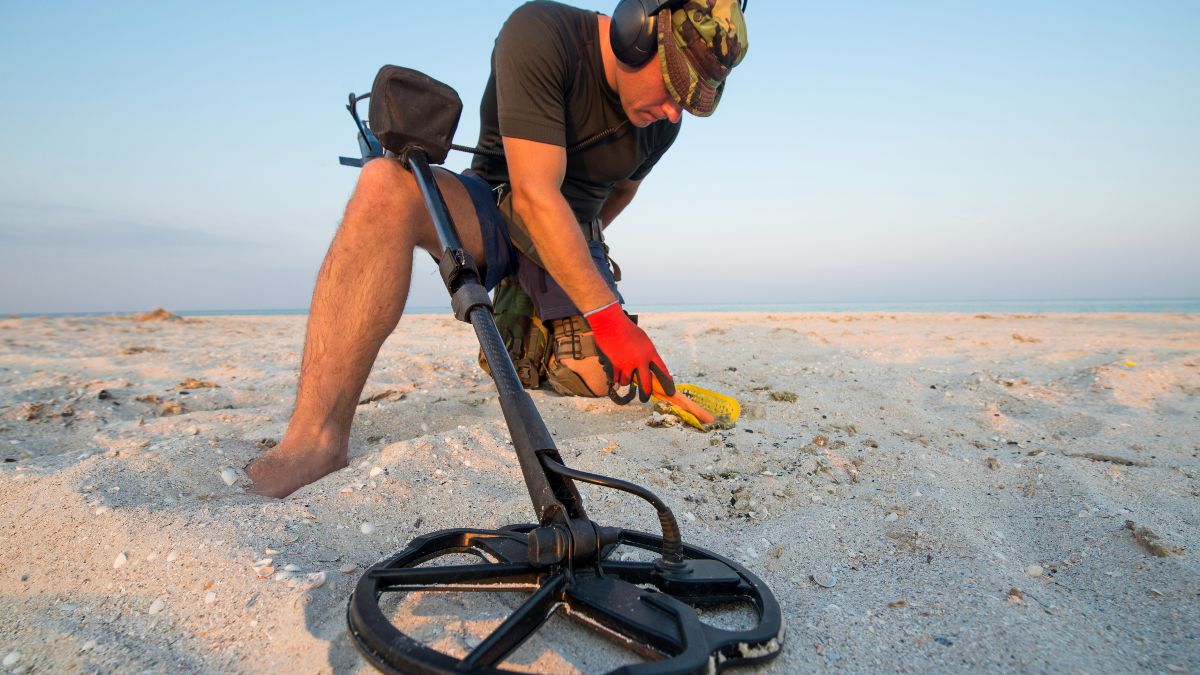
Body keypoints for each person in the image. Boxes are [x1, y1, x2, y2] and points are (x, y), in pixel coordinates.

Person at [247, 0, 748, 498]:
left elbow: (623, 191)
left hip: (573, 227)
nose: (673, 110)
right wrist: (610, 319)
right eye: (673, 87)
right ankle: (315, 439)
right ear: (633, 33)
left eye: (691, 101)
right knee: (384, 185)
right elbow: (533, 196)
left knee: (596, 380)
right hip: (498, 205)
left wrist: (579, 262)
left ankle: (535, 330)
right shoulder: (541, 33)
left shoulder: (664, 123)